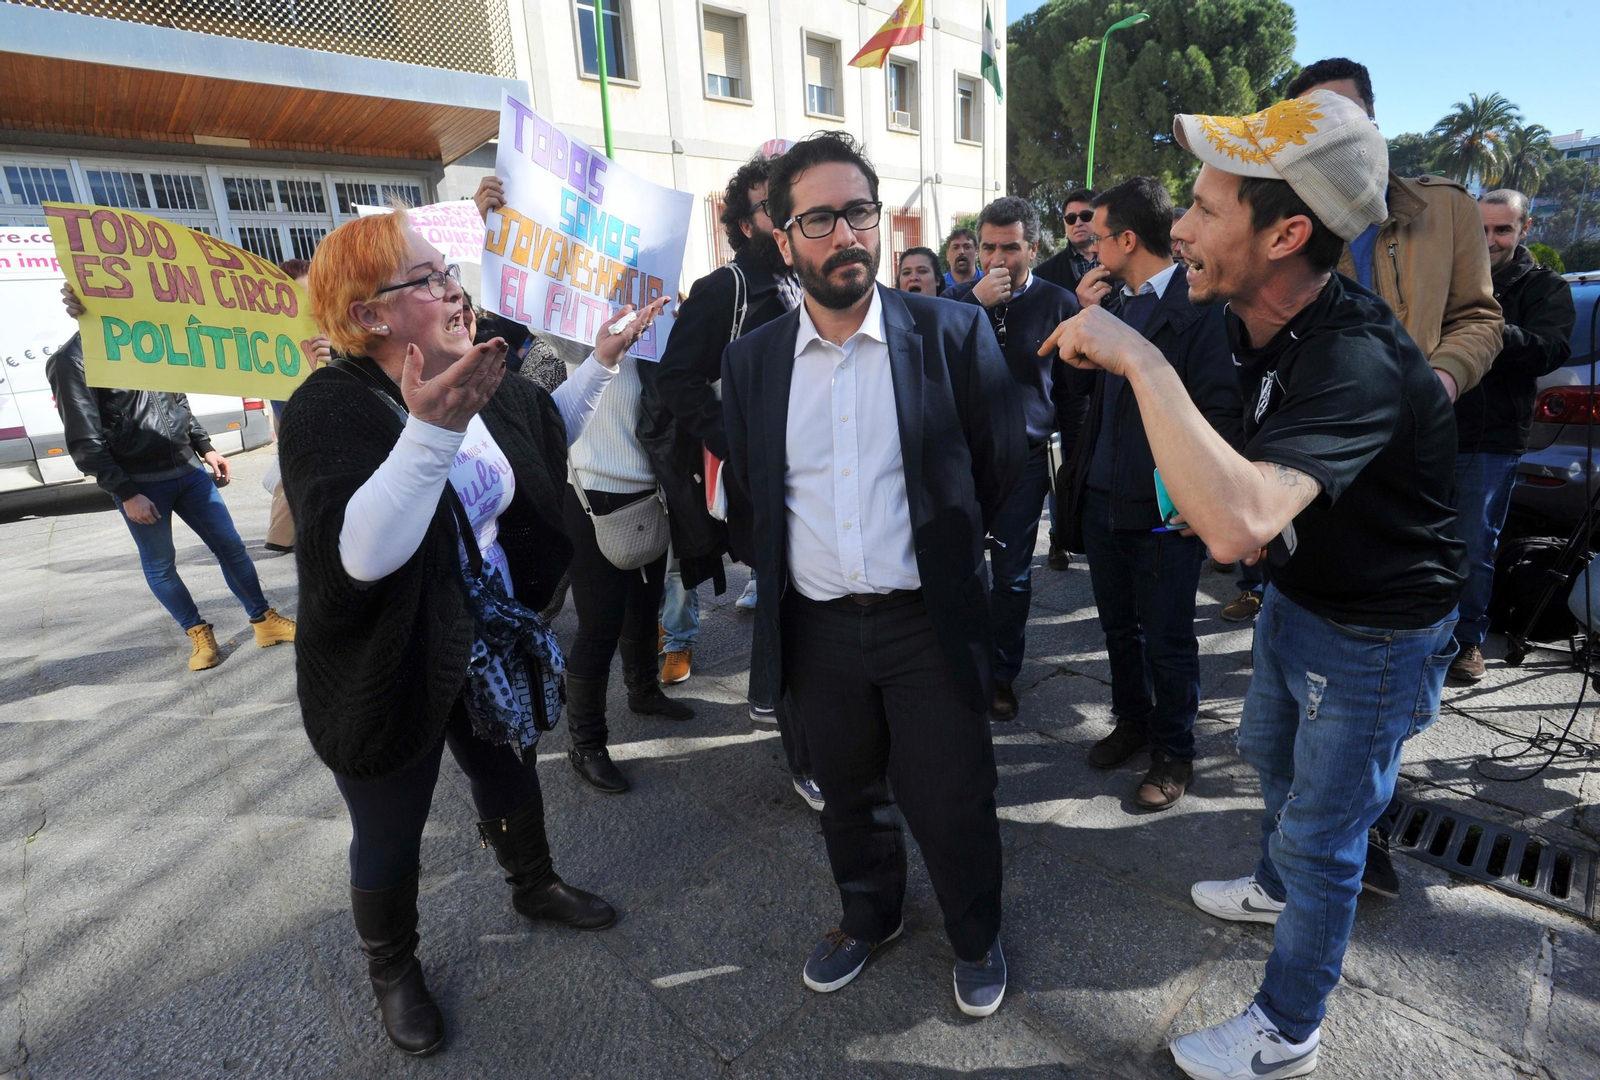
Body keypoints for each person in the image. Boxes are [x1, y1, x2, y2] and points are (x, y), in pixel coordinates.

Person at [1044, 90, 1465, 1078]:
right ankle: (1274, 885)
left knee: (1328, 839)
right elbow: (1240, 474)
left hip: (1375, 635)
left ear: (1285, 232)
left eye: (1203, 209)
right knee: (1269, 751)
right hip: (1304, 595)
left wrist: (1136, 357)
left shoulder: (1354, 359)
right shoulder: (1251, 315)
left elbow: (1234, 528)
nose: (1177, 229)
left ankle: (1287, 1031)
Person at [279, 206, 665, 1056]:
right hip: (387, 657)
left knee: (508, 766)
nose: (456, 290)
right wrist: (432, 427)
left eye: (449, 271)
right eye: (429, 278)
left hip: (484, 635)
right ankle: (393, 969)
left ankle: (533, 884)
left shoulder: (475, 369)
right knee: (390, 825)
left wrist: (602, 360)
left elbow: (542, 429)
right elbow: (363, 556)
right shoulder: (327, 408)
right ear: (372, 312)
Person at [723, 131, 1026, 1017]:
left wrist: (959, 565)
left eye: (858, 212)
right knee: (848, 794)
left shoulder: (953, 332)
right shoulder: (754, 360)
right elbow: (751, 490)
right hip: (818, 627)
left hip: (926, 622)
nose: (844, 234)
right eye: (817, 219)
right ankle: (870, 915)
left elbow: (1002, 466)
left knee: (952, 797)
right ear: (784, 241)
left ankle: (976, 935)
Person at [1287, 58, 1505, 898]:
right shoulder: (1293, 212)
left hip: (1420, 452)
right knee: (1313, 644)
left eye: (1339, 119)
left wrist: (1440, 381)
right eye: (1307, 124)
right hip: (1330, 453)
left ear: (1373, 124)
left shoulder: (1443, 207)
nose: (1328, 138)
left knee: (1391, 651)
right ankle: (1311, 833)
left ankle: (1362, 831)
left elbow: (1480, 317)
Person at [473, 177, 693, 797]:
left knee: (645, 607)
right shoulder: (572, 334)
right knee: (597, 624)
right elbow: (507, 313)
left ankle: (645, 691)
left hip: (649, 496)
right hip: (591, 499)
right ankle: (586, 742)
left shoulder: (657, 330)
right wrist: (489, 229)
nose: (623, 273)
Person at [639, 154, 820, 809]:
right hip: (763, 480)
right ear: (746, 224)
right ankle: (807, 754)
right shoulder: (726, 291)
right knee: (789, 605)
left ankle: (779, 703)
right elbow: (676, 380)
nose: (792, 216)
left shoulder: (819, 277)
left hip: (829, 474)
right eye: (774, 206)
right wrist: (738, 443)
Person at [1059, 177, 1240, 810]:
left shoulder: (1198, 310)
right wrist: (1084, 323)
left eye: (1098, 233)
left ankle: (1174, 750)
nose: (1089, 243)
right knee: (1119, 629)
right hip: (1106, 501)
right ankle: (1132, 722)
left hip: (1165, 509)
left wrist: (1198, 499)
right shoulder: (1118, 304)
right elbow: (1083, 397)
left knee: (1167, 636)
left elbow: (1218, 411)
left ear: (1128, 239)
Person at [47, 301, 296, 671]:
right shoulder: (74, 358)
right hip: (140, 483)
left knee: (232, 549)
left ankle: (264, 621)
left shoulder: (147, 337)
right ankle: (197, 631)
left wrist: (205, 447)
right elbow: (84, 438)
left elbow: (177, 401)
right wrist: (127, 493)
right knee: (161, 565)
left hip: (189, 471)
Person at [946, 196, 1080, 721]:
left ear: (1033, 247)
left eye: (1010, 248)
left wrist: (1071, 463)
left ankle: (1002, 674)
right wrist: (972, 303)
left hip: (1025, 460)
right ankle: (959, 664)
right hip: (961, 459)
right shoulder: (955, 300)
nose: (998, 258)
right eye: (988, 247)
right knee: (956, 568)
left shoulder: (1058, 302)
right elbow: (929, 365)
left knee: (1012, 576)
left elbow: (1071, 392)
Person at [1449, 190, 1575, 681]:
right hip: (1428, 430)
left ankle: (1466, 641)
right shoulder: (1449, 277)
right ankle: (1413, 633)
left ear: (1525, 230)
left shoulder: (1543, 287)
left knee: (1473, 545)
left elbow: (1551, 351)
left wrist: (1490, 328)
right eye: (1480, 229)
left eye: (1502, 229)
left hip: (1492, 440)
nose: (1490, 240)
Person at [1032, 188, 1099, 294]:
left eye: (1086, 216)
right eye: (1071, 218)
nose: (1078, 223)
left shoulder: (1122, 263)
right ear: (1065, 223)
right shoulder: (1043, 275)